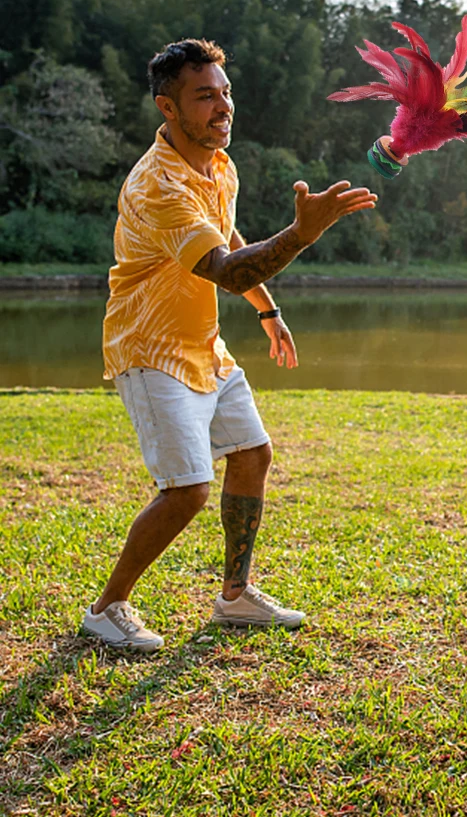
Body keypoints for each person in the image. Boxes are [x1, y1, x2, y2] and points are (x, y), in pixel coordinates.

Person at [82, 38, 379, 651]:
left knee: (252, 453)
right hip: (150, 348)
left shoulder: (219, 164)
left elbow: (229, 237)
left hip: (203, 343)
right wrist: (301, 234)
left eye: (225, 92)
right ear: (168, 108)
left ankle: (235, 596)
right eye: (204, 96)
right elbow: (228, 268)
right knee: (188, 490)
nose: (222, 106)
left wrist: (268, 310)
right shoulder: (156, 187)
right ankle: (107, 608)